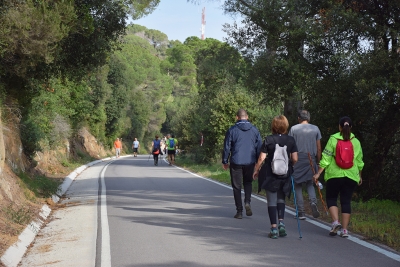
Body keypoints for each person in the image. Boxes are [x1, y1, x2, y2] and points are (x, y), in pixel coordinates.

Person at [313, 116, 363, 238]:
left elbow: (326, 158)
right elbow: (360, 161)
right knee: (346, 201)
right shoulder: (356, 142)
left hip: (334, 175)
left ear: (339, 126)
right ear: (350, 127)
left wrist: (318, 173)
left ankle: (335, 222)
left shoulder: (333, 139)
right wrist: (360, 176)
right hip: (351, 175)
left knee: (331, 198)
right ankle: (344, 230)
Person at [253, 115, 298, 239]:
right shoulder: (290, 140)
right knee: (281, 199)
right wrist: (290, 166)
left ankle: (273, 228)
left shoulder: (269, 139)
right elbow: (295, 158)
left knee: (271, 201)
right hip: (284, 173)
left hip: (270, 173)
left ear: (273, 126)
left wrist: (256, 170)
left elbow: (262, 157)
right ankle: (282, 223)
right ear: (286, 125)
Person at [222, 108, 262, 219]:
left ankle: (239, 211)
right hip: (250, 161)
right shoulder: (255, 130)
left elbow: (227, 147)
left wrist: (225, 161)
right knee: (248, 183)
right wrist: (258, 163)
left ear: (237, 117)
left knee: (236, 186)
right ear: (247, 117)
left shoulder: (232, 130)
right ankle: (247, 202)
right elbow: (259, 147)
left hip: (236, 161)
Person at [288, 110, 322, 219]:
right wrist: (318, 161)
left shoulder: (294, 129)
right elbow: (319, 148)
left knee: (297, 184)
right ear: (309, 118)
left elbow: (290, 146)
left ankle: (301, 212)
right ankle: (313, 203)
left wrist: (290, 160)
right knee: (310, 183)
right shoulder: (315, 129)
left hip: (297, 158)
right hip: (310, 158)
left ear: (299, 118)